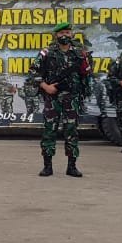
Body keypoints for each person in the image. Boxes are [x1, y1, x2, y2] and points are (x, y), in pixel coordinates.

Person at [28, 22, 89, 177]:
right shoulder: (47, 52)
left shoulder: (79, 53)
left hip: (72, 98)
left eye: (67, 32)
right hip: (52, 98)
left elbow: (86, 73)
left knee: (72, 131)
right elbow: (33, 72)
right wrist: (45, 86)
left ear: (72, 34)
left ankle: (72, 166)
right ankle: (47, 166)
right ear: (56, 35)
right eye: (61, 33)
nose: (64, 36)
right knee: (49, 131)